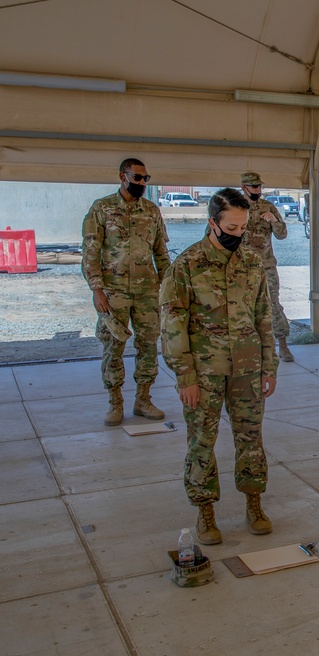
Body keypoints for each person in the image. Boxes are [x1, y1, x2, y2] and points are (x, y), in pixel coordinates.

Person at [159, 188, 278, 545]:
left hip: (247, 368)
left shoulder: (253, 262)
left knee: (250, 437)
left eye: (243, 227)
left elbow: (263, 316)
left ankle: (254, 504)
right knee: (201, 441)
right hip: (204, 372)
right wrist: (185, 376)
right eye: (231, 226)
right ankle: (205, 511)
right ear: (212, 222)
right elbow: (172, 324)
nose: (238, 234)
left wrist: (268, 365)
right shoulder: (187, 265)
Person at [81, 157, 171, 426]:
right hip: (114, 292)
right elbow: (90, 252)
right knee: (113, 347)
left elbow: (161, 253)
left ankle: (143, 399)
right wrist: (96, 289)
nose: (142, 183)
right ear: (123, 176)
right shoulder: (102, 208)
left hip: (147, 292)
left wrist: (168, 288)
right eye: (137, 178)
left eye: (146, 179)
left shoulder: (152, 211)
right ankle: (114, 402)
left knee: (148, 347)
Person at [240, 171, 294, 362]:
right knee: (242, 307)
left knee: (273, 305)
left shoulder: (268, 206)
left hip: (266, 267)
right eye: (254, 187)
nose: (258, 190)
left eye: (259, 186)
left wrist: (275, 221)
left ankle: (284, 345)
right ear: (244, 188)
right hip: (241, 269)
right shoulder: (234, 207)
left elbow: (282, 234)